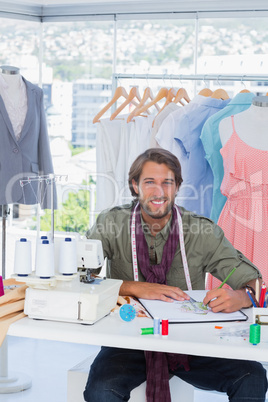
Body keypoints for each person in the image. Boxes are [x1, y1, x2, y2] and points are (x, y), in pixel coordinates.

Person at [84, 148, 267, 402]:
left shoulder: (201, 231)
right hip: (130, 341)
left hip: (190, 341)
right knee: (101, 392)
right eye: (149, 182)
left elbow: (256, 283)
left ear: (177, 187)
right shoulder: (110, 225)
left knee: (252, 376)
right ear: (135, 185)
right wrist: (136, 288)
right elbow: (81, 280)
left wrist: (243, 296)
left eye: (167, 183)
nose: (159, 192)